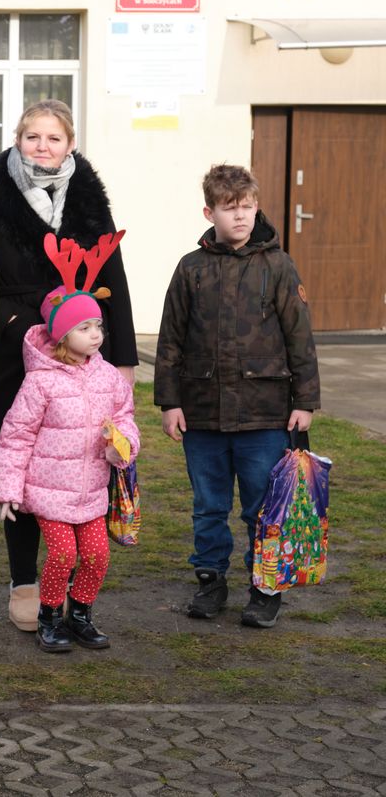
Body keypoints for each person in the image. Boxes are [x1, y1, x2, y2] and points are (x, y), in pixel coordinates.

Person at [0, 100, 138, 632]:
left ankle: (73, 583)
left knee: (81, 459)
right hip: (19, 349)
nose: (42, 147)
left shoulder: (89, 197)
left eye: (53, 138)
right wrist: (14, 323)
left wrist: (123, 357)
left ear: (70, 144)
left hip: (87, 349)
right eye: (33, 137)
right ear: (18, 139)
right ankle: (25, 581)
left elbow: (114, 277)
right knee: (24, 459)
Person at [154, 164, 320, 629]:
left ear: (256, 207)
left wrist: (304, 400)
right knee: (208, 506)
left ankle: (265, 587)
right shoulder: (191, 268)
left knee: (261, 507)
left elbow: (300, 337)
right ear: (210, 213)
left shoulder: (278, 266)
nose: (241, 216)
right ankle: (210, 581)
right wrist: (170, 402)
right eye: (230, 209)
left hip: (264, 415)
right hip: (202, 413)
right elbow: (170, 339)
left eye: (247, 207)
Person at [0, 234, 140, 653]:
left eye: (98, 326)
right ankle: (49, 615)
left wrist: (122, 446)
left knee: (96, 556)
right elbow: (15, 437)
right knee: (62, 556)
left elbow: (125, 418)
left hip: (91, 492)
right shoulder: (40, 383)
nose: (96, 335)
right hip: (49, 493)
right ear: (61, 335)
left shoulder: (107, 376)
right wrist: (9, 489)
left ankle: (81, 615)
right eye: (85, 328)